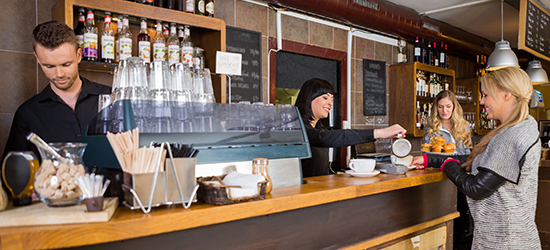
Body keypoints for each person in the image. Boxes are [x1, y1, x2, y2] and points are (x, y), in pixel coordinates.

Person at [412, 68, 541, 249]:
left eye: (486, 95)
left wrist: (448, 163)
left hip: (504, 240)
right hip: (512, 234)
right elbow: (479, 160)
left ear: (506, 95)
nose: (481, 101)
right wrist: (432, 160)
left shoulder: (511, 137)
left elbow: (476, 188)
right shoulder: (523, 127)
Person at [2, 21, 111, 159]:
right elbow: (14, 174)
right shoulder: (27, 114)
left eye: (66, 64)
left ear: (79, 55)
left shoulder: (113, 99)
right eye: (49, 66)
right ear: (37, 59)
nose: (59, 74)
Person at [294, 78, 406, 177]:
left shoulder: (319, 130)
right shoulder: (297, 129)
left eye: (332, 99)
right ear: (309, 98)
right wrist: (379, 133)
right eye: (325, 97)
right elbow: (324, 138)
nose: (330, 103)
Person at [413, 90, 473, 169]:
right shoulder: (431, 128)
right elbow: (427, 156)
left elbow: (468, 156)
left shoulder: (464, 126)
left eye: (448, 106)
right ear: (436, 108)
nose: (444, 111)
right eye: (440, 107)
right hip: (440, 173)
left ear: (454, 107)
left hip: (461, 172)